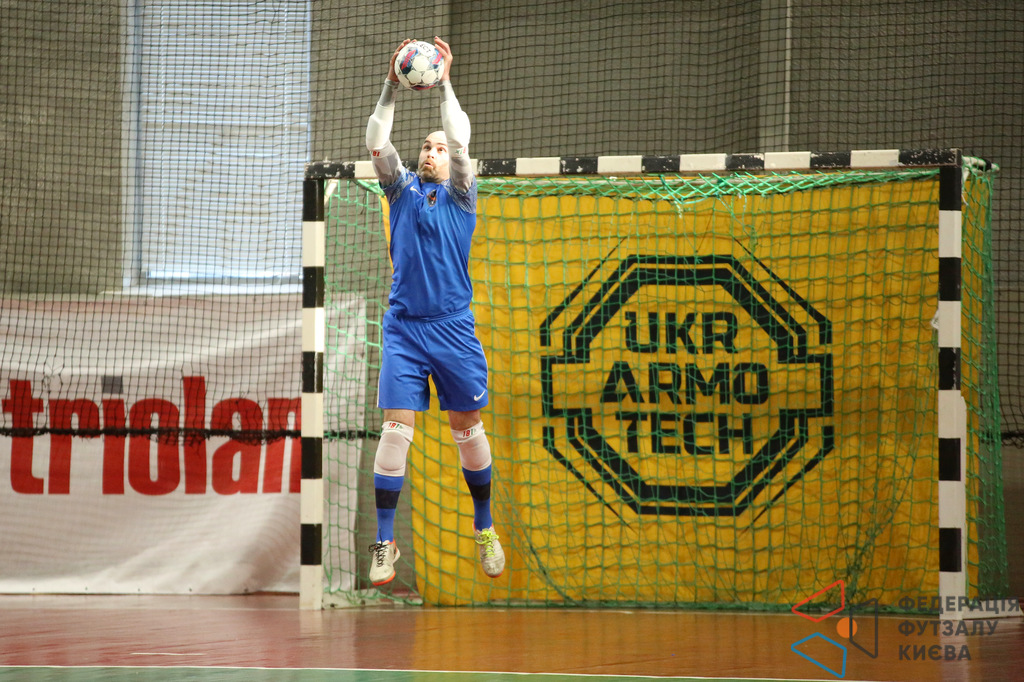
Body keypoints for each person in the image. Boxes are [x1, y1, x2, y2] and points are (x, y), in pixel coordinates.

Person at [363, 37, 504, 586]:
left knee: (467, 428)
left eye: (438, 148)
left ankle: (484, 526)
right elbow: (376, 140)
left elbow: (461, 137)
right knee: (395, 431)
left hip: (453, 329)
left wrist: (444, 82)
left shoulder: (463, 195)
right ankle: (385, 542)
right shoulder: (398, 191)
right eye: (426, 146)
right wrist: (391, 85)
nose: (431, 151)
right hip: (404, 329)